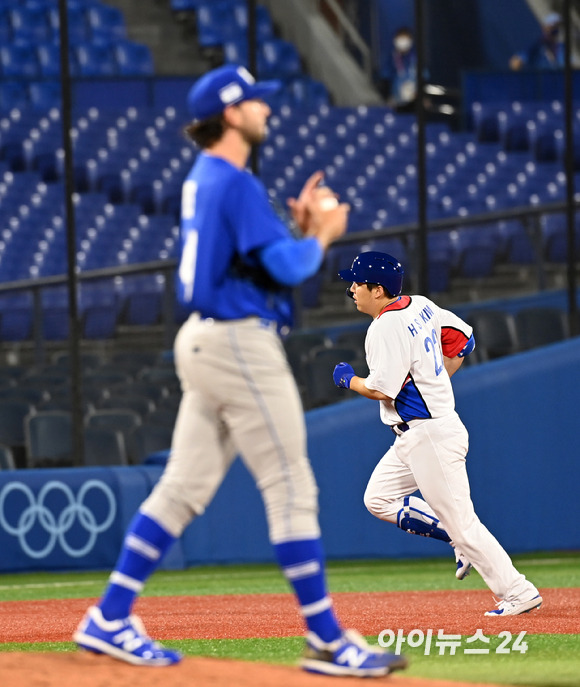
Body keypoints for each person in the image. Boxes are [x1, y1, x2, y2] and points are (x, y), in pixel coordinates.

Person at [73, 65, 407, 678]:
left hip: (205, 339)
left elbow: (262, 260)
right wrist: (325, 235)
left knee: (182, 488)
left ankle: (110, 616)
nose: (267, 111)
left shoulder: (208, 178)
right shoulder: (234, 180)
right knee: (291, 487)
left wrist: (299, 235)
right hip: (236, 344)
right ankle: (329, 640)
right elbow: (289, 269)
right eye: (256, 102)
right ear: (231, 114)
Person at [332, 251, 543, 617]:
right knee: (378, 498)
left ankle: (518, 591)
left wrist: (348, 380)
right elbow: (464, 341)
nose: (351, 288)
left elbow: (384, 389)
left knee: (465, 523)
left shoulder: (384, 326)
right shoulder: (421, 306)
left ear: (377, 289)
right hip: (420, 432)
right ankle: (454, 539)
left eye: (357, 282)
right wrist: (437, 381)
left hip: (429, 434)